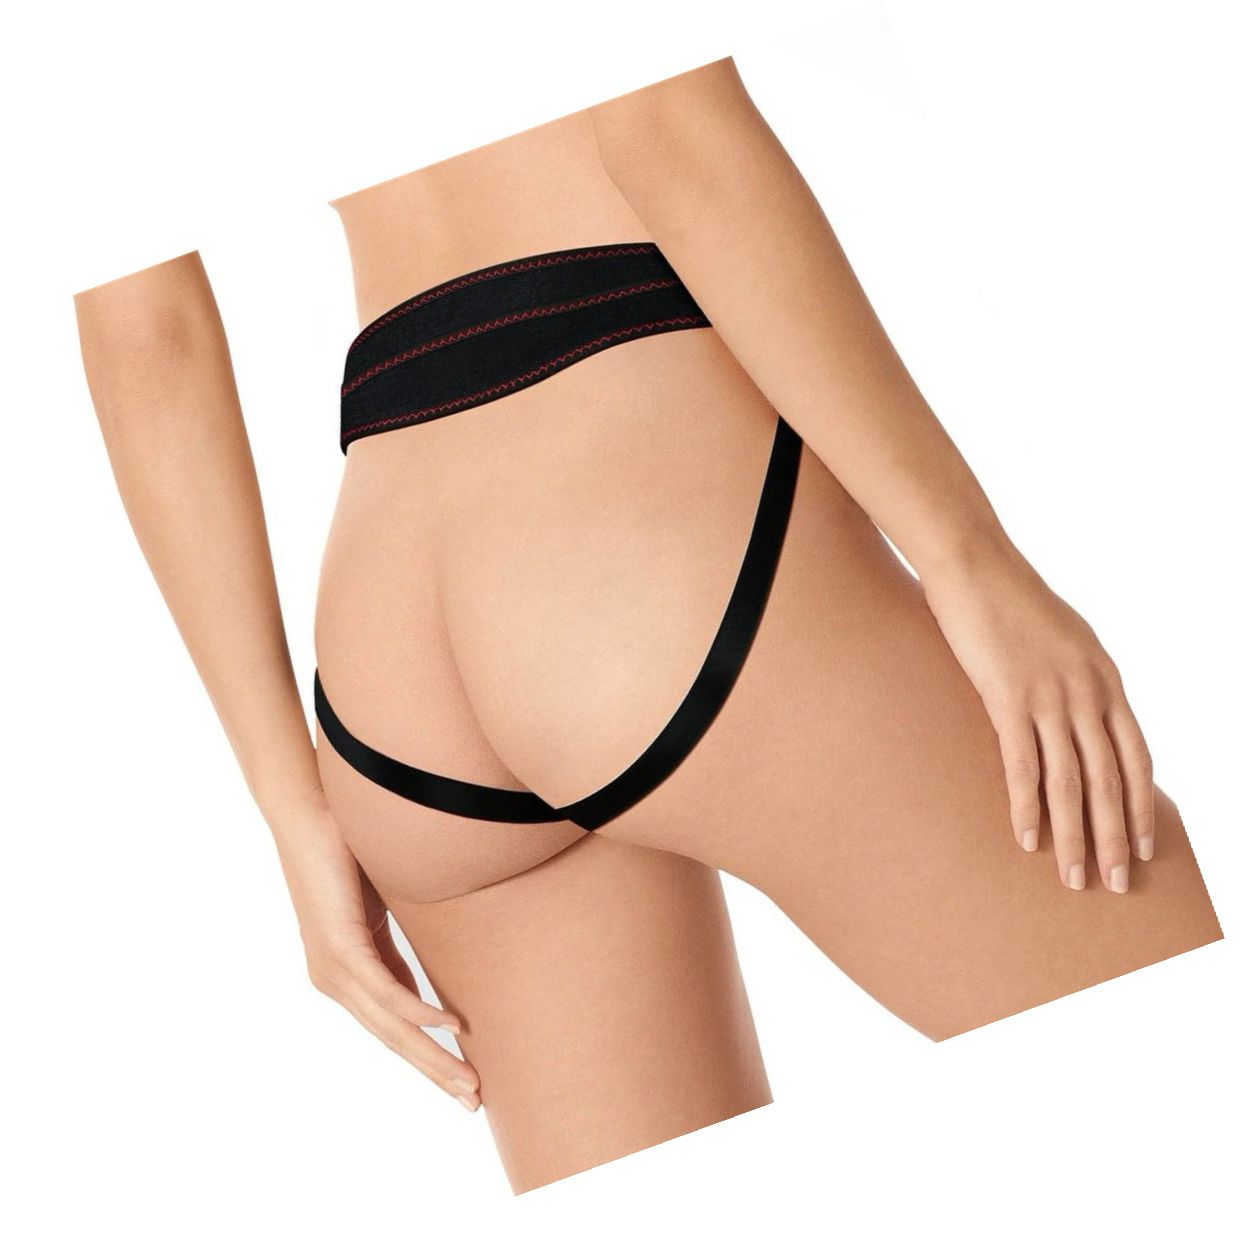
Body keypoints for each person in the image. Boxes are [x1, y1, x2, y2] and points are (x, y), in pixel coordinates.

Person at [74, 56, 1222, 1194]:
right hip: (638, 502)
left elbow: (142, 331)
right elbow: (664, 128)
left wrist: (294, 804)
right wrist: (967, 557)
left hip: (392, 637)